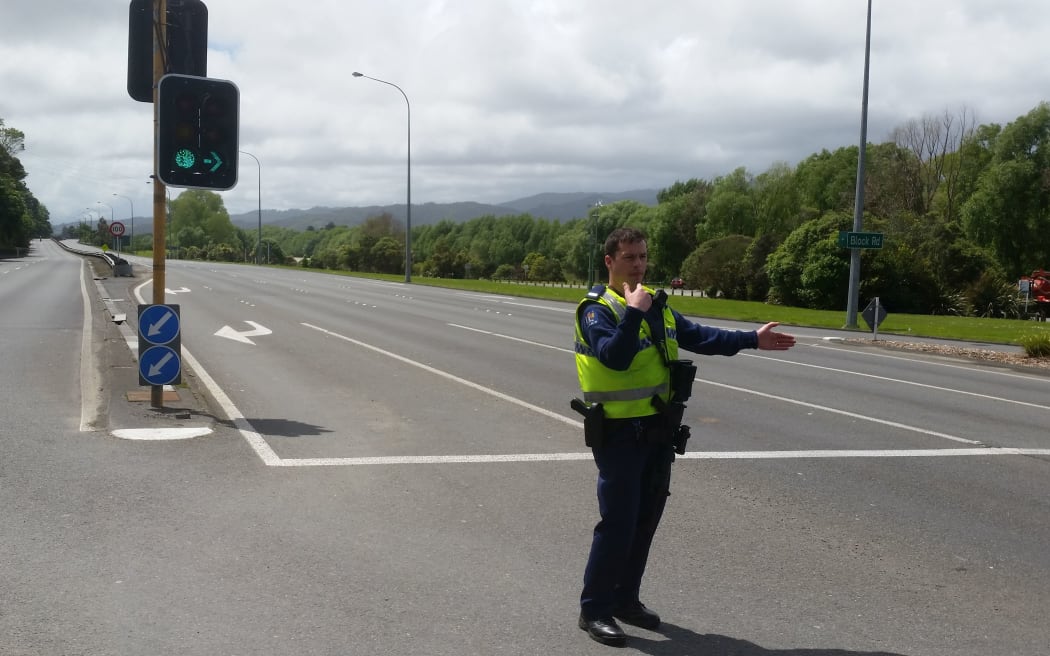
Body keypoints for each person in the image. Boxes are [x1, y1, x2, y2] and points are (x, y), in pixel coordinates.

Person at [574, 227, 796, 647]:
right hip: (619, 433)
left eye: (642, 257)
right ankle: (595, 610)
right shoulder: (596, 310)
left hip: (658, 431)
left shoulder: (658, 307)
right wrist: (634, 312)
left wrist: (752, 339)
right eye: (628, 258)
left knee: (645, 521)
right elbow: (614, 358)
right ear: (609, 262)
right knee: (618, 523)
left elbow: (701, 337)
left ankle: (625, 599)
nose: (638, 265)